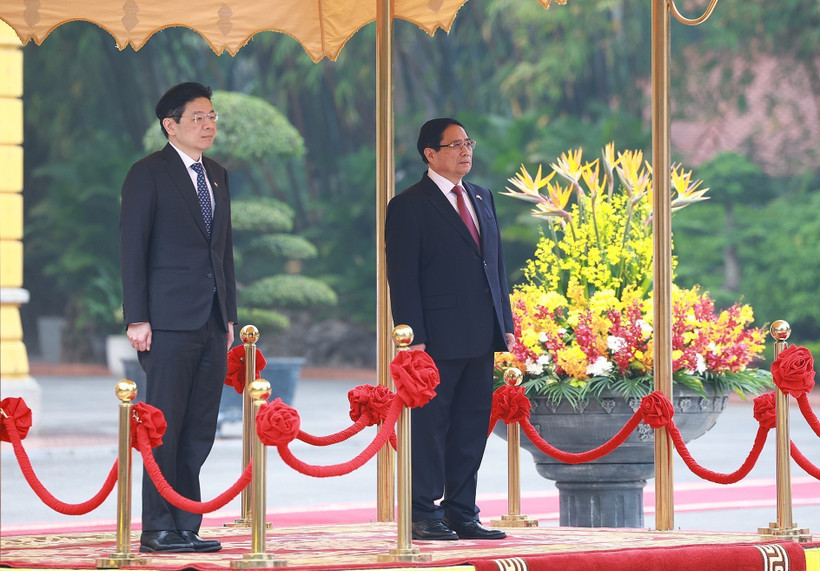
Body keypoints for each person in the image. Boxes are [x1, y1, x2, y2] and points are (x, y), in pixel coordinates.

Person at [120, 82, 237, 553]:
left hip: (211, 320)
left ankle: (187, 523)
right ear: (170, 125)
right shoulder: (147, 173)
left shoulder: (219, 175)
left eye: (212, 117)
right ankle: (157, 528)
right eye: (198, 118)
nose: (209, 125)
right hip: (166, 322)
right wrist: (137, 317)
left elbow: (224, 251)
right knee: (164, 426)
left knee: (199, 427)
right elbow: (133, 248)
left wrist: (229, 315)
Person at [385, 118, 515, 541]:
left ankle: (462, 511)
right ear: (430, 153)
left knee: (471, 426)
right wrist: (412, 338)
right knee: (429, 427)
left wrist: (506, 324)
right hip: (435, 338)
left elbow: (494, 268)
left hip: (481, 334)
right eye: (455, 144)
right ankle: (423, 512)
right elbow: (402, 277)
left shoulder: (481, 196)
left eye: (468, 142)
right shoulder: (409, 204)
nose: (466, 150)